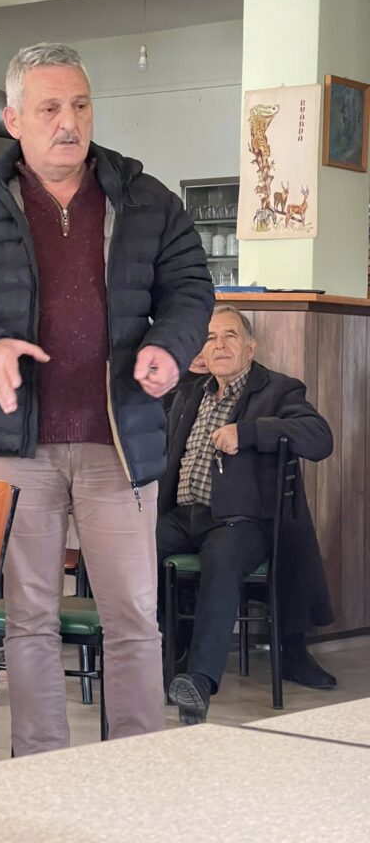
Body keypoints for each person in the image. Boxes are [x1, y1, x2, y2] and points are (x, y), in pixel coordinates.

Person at [0, 42, 214, 755]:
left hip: (121, 440)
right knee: (30, 619)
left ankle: (137, 763)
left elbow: (191, 289)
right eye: (49, 108)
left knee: (133, 616)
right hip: (18, 442)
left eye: (79, 105)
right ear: (14, 120)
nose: (68, 122)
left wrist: (169, 345)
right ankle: (38, 768)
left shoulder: (145, 198)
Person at [158, 304, 335, 725]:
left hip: (239, 520)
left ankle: (198, 682)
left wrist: (250, 432)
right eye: (211, 338)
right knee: (131, 551)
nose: (219, 345)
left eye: (230, 336)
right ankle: (156, 659)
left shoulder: (279, 390)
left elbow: (320, 438)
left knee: (221, 562)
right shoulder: (191, 394)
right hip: (182, 515)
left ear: (251, 348)